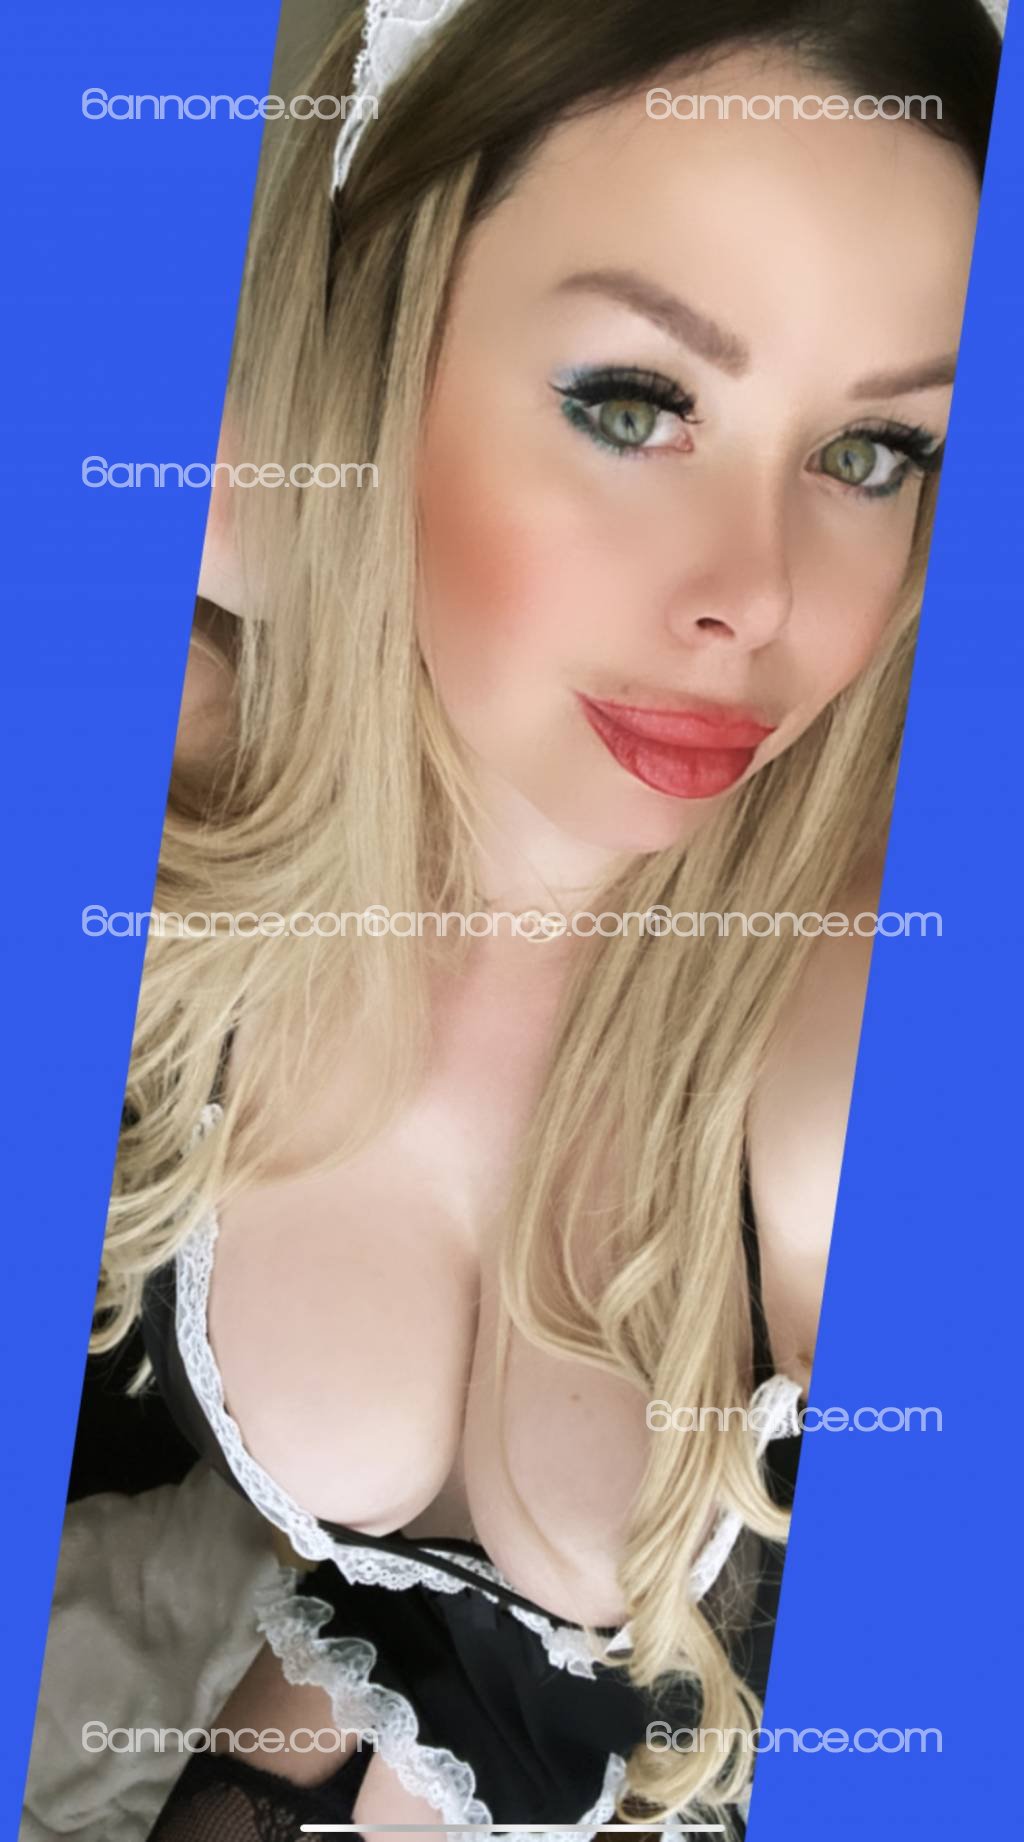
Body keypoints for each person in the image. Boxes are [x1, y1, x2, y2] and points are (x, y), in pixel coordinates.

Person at [97, 0, 1002, 1835]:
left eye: (873, 452)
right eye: (634, 404)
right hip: (370, 1692)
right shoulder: (196, 795)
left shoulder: (851, 1043)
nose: (754, 598)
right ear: (377, 344)